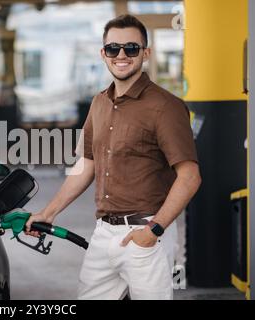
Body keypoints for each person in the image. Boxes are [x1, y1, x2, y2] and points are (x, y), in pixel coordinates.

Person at [25, 14, 201, 300]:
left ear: (146, 53)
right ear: (103, 53)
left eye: (131, 48)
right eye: (113, 48)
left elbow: (190, 176)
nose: (121, 55)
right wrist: (48, 212)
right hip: (103, 234)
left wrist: (154, 229)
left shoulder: (166, 106)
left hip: (147, 236)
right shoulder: (99, 102)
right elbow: (86, 164)